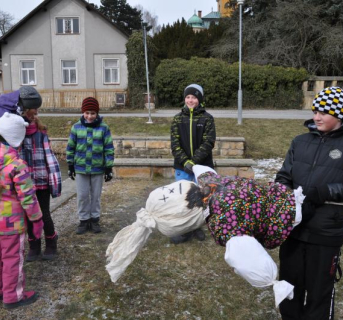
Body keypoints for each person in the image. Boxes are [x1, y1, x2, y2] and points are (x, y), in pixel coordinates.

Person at [106, 165, 306, 307]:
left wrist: (270, 281)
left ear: (186, 221)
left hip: (289, 215)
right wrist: (192, 165)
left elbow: (245, 254)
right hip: (282, 194)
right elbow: (201, 168)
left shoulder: (223, 222)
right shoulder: (208, 183)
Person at [275, 86, 343, 320]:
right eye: (315, 111)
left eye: (324, 112)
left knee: (319, 294)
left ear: (339, 114)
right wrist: (282, 192)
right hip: (293, 230)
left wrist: (325, 191)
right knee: (288, 290)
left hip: (326, 232)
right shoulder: (300, 141)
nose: (317, 117)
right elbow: (284, 175)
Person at [0, 113, 43, 309]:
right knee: (13, 259)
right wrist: (36, 220)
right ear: (16, 139)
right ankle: (13, 296)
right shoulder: (17, 165)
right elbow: (28, 198)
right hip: (12, 225)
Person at [0, 86, 42, 263]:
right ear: (25, 106)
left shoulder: (6, 110)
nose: (34, 114)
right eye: (33, 110)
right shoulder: (0, 116)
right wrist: (36, 219)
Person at [170, 84, 216, 244]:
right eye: (188, 97)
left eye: (194, 97)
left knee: (201, 197)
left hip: (202, 166)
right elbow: (175, 143)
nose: (191, 100)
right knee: (184, 198)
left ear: (200, 99)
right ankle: (185, 229)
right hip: (182, 167)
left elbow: (208, 142)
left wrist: (194, 162)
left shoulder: (207, 119)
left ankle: (197, 226)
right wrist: (185, 161)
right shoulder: (177, 118)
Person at [66, 97, 114, 234]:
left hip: (97, 168)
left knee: (96, 195)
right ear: (83, 112)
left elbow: (109, 148)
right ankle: (83, 220)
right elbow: (70, 147)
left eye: (93, 113)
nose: (90, 116)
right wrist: (70, 165)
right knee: (82, 195)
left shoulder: (104, 128)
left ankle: (94, 219)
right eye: (87, 113)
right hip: (81, 168)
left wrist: (108, 168)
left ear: (97, 113)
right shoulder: (76, 127)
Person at [20, 106, 62, 261]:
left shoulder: (41, 134)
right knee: (29, 215)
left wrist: (54, 182)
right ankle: (34, 245)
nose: (29, 120)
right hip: (24, 183)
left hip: (41, 182)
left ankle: (51, 241)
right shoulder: (17, 136)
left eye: (32, 117)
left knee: (44, 214)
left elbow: (50, 159)